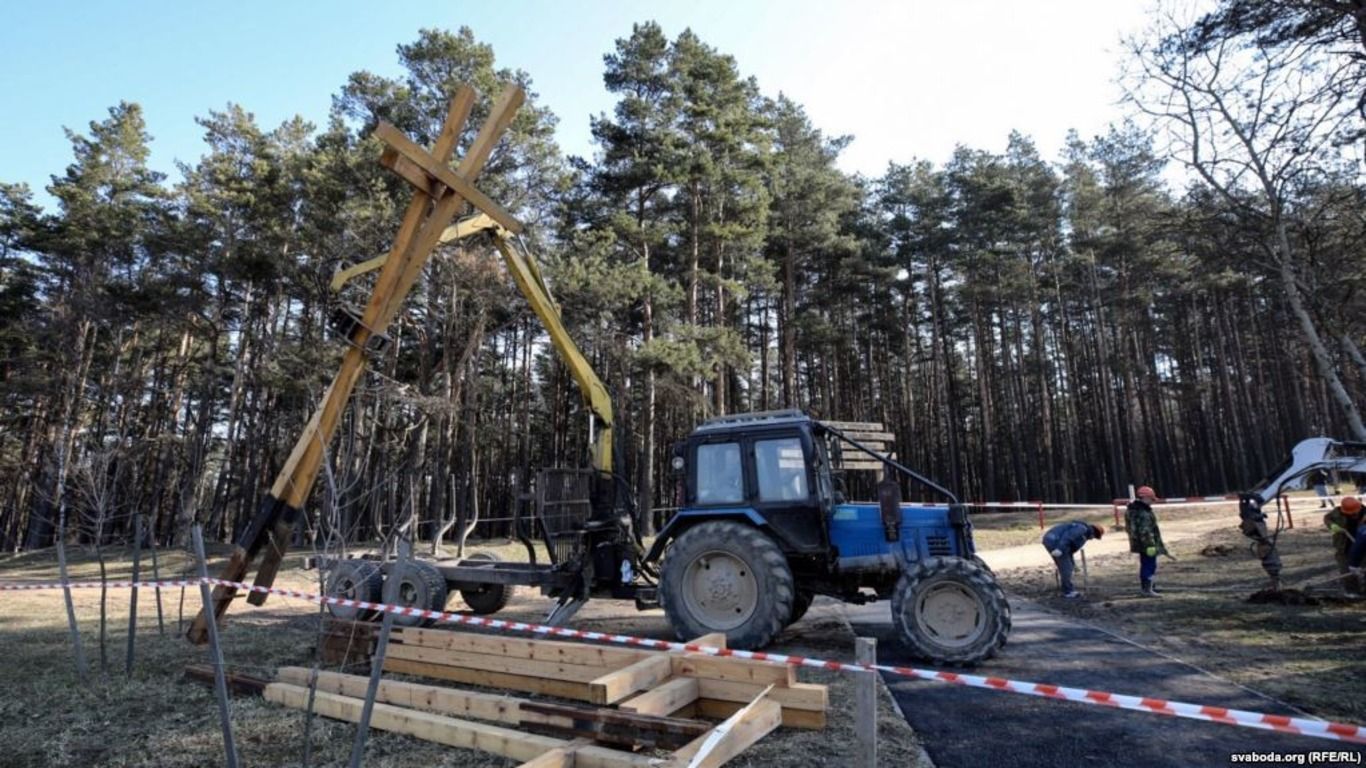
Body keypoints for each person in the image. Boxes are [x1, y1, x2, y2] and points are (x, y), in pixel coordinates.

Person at [1041, 520, 1104, 598]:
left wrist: (1073, 563)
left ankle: (1066, 588)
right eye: (1094, 537)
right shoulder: (1081, 529)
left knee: (1068, 565)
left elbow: (1069, 551)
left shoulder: (1082, 533)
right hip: (1054, 540)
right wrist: (1059, 549)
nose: (1092, 539)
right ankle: (1068, 591)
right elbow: (1067, 537)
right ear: (1094, 533)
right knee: (1066, 568)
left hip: (1053, 540)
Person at [1125, 486, 1168, 597]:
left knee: (1146, 564)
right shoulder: (1143, 512)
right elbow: (1145, 530)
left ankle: (1150, 586)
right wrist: (1150, 544)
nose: (1152, 501)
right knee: (1149, 565)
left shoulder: (1132, 510)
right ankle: (1147, 589)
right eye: (1151, 499)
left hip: (1139, 543)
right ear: (1145, 498)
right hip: (1147, 544)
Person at [1239, 494, 1283, 591]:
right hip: (1258, 531)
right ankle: (1275, 579)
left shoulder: (1247, 509)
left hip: (1259, 531)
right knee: (1266, 547)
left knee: (1267, 546)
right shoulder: (1249, 513)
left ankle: (1275, 579)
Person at [1324, 496, 1363, 594]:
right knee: (1346, 571)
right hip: (1343, 546)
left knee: (1363, 569)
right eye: (1350, 513)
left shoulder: (1364, 513)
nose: (1353, 515)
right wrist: (1332, 525)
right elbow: (1327, 518)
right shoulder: (1337, 513)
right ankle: (1352, 593)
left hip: (1361, 546)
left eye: (1354, 512)